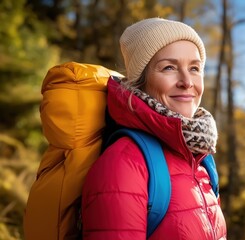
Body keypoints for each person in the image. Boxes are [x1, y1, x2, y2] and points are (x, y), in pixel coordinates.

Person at [81, 18, 227, 240]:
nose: (187, 82)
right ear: (141, 81)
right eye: (169, 67)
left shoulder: (199, 153)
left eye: (195, 68)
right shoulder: (124, 163)